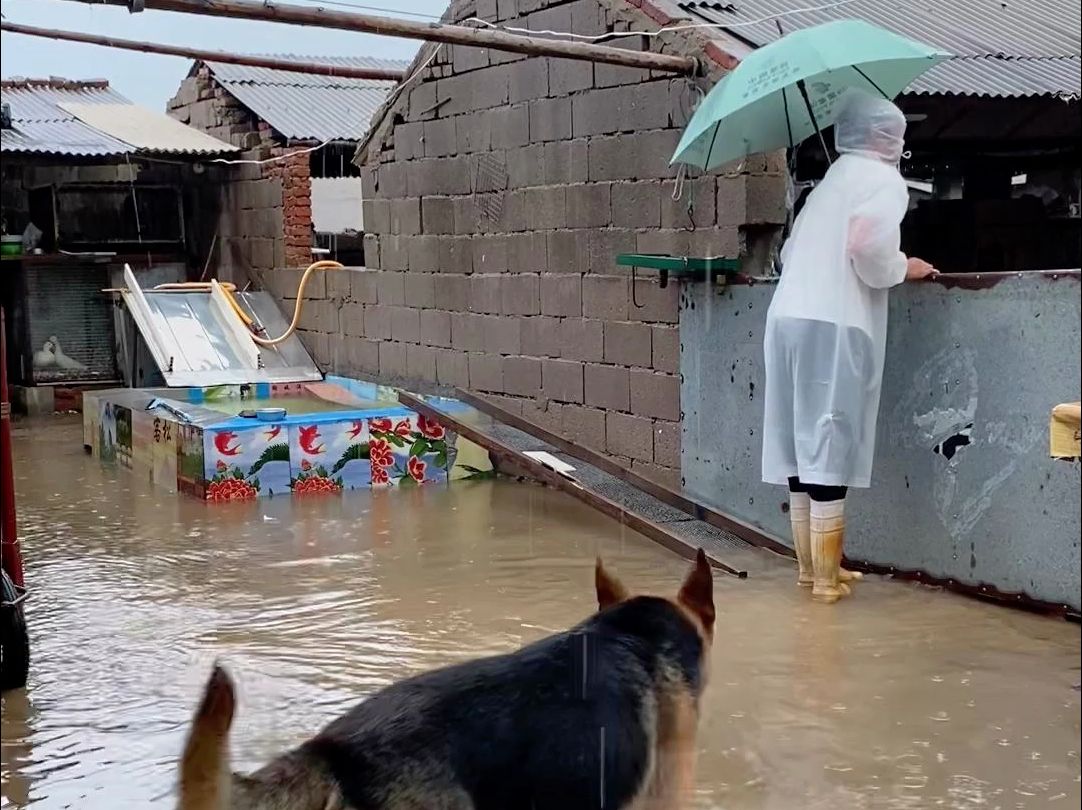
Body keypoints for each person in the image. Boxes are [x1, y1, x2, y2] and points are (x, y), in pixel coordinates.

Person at [761, 91, 938, 604]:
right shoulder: (882, 181)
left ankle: (810, 571)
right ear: (888, 139)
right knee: (830, 439)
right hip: (832, 324)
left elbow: (792, 250)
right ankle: (825, 582)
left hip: (787, 317)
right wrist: (902, 267)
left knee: (798, 440)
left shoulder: (827, 184)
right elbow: (865, 247)